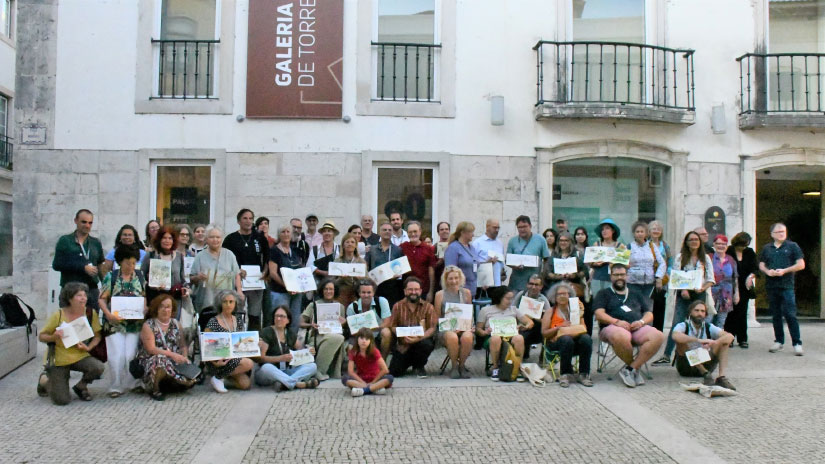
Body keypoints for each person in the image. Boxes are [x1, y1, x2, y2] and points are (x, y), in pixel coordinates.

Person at [593, 263, 664, 388]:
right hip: (612, 328)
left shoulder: (635, 293)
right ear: (611, 277)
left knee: (658, 335)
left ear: (627, 276)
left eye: (622, 274)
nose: (619, 277)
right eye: (616, 275)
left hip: (636, 328)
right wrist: (616, 322)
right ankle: (633, 368)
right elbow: (599, 314)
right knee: (621, 335)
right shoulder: (603, 293)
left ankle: (630, 369)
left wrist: (641, 322)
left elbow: (649, 313)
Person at [38, 283, 105, 405]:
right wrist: (54, 336)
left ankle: (81, 386)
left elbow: (97, 336)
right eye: (79, 295)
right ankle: (45, 381)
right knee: (62, 400)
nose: (83, 298)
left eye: (85, 295)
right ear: (69, 298)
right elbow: (42, 336)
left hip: (80, 355)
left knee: (98, 367)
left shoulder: (90, 313)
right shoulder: (58, 315)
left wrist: (88, 347)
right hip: (59, 359)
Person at [655, 231, 715, 365]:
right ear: (686, 242)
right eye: (691, 239)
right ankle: (667, 354)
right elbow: (676, 276)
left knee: (699, 323)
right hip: (683, 294)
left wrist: (702, 288)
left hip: (699, 293)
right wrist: (683, 289)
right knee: (677, 323)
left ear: (700, 242)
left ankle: (698, 356)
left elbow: (711, 279)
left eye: (696, 239)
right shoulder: (680, 257)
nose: (694, 242)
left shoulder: (705, 258)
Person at [98, 246, 146, 397]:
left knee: (131, 354)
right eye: (127, 263)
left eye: (133, 263)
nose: (130, 266)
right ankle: (115, 385)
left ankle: (133, 383)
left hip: (134, 323)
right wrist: (108, 314)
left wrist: (144, 308)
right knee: (116, 354)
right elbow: (101, 299)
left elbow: (144, 296)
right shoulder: (111, 277)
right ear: (120, 262)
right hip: (115, 323)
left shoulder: (140, 276)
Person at [137, 294, 198, 401]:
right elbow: (151, 349)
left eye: (168, 306)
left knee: (182, 365)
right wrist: (173, 355)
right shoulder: (149, 325)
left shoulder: (176, 324)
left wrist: (184, 357)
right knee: (159, 360)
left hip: (173, 361)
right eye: (162, 306)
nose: (165, 310)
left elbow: (183, 345)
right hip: (152, 359)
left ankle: (174, 380)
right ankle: (155, 389)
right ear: (156, 309)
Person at [759, 223, 805, 355]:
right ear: (772, 234)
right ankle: (779, 341)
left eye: (783, 231)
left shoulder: (792, 246)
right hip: (772, 286)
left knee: (790, 314)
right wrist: (768, 272)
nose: (781, 233)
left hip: (787, 286)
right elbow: (762, 264)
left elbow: (801, 264)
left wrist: (785, 271)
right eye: (778, 231)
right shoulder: (767, 248)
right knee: (776, 315)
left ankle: (797, 343)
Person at [222, 208, 270, 331]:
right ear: (238, 221)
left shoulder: (260, 238)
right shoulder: (230, 239)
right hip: (237, 281)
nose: (248, 221)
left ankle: (254, 340)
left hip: (256, 282)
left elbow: (267, 258)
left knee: (255, 313)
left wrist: (265, 272)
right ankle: (237, 336)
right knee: (237, 311)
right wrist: (237, 271)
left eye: (250, 218)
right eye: (245, 218)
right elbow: (225, 261)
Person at [671, 300, 736, 390]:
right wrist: (698, 340)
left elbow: (730, 337)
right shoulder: (683, 325)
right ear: (690, 312)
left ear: (705, 314)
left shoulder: (709, 326)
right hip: (686, 366)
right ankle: (704, 372)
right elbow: (675, 336)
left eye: (702, 311)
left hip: (706, 362)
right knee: (681, 342)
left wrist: (714, 342)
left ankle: (721, 377)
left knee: (723, 342)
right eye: (696, 310)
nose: (699, 314)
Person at [383, 277, 438, 378]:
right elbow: (392, 326)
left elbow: (432, 328)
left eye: (416, 289)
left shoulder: (428, 307)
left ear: (420, 291)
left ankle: (419, 366)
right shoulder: (397, 306)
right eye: (410, 289)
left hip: (421, 342)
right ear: (405, 291)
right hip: (403, 345)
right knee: (394, 372)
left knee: (427, 344)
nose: (413, 292)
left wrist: (420, 337)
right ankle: (407, 363)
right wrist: (402, 335)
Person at [256, 305, 319, 391]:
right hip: (269, 373)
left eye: (282, 316)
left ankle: (284, 384)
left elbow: (301, 350)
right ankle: (298, 384)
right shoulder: (266, 332)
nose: (278, 319)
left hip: (286, 371)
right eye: (276, 316)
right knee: (266, 367)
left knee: (312, 366)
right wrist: (280, 358)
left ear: (288, 320)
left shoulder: (290, 333)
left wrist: (309, 351)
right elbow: (261, 359)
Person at [52, 209, 105, 311]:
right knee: (69, 324)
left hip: (91, 290)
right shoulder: (65, 241)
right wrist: (82, 267)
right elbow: (57, 264)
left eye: (90, 223)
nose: (87, 225)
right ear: (76, 221)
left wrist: (105, 286)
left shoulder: (95, 243)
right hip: (70, 290)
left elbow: (100, 265)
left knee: (91, 323)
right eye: (84, 222)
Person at [542, 282, 593, 387]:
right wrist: (559, 327)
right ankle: (565, 374)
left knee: (586, 339)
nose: (562, 296)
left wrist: (578, 319)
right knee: (566, 339)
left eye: (565, 294)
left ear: (570, 296)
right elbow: (544, 333)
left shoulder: (576, 310)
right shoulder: (550, 311)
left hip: (574, 342)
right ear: (554, 297)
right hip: (556, 342)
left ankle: (584, 374)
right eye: (559, 294)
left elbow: (584, 329)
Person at [476, 286, 532, 381]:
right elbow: (478, 329)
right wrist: (485, 332)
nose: (510, 301)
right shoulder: (486, 310)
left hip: (510, 336)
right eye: (507, 298)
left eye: (511, 298)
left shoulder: (513, 310)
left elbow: (529, 322)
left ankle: (517, 367)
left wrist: (524, 327)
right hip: (492, 337)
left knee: (519, 338)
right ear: (499, 297)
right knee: (496, 338)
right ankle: (496, 368)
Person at [204, 290, 254, 393]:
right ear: (220, 303)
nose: (228, 305)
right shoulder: (213, 322)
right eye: (225, 302)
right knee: (248, 363)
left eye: (231, 302)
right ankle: (218, 377)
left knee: (245, 384)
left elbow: (242, 341)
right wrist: (215, 362)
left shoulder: (238, 320)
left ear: (235, 303)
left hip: (235, 358)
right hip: (218, 360)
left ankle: (223, 377)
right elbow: (206, 346)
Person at [301, 279, 348, 380]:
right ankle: (319, 371)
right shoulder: (313, 305)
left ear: (335, 291)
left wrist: (344, 323)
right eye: (326, 289)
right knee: (338, 338)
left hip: (333, 333)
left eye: (331, 289)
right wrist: (311, 324)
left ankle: (325, 371)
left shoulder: (340, 307)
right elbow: (300, 322)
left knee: (338, 337)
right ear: (322, 290)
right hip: (317, 335)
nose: (328, 291)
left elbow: (341, 326)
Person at [189, 224, 243, 312]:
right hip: (207, 301)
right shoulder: (200, 256)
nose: (215, 240)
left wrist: (239, 291)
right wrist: (198, 277)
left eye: (218, 237)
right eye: (212, 237)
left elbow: (236, 274)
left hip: (227, 301)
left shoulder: (229, 255)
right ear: (206, 239)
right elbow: (192, 278)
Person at [433, 266, 474, 379]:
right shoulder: (440, 295)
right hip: (446, 328)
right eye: (450, 278)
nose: (454, 281)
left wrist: (466, 327)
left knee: (467, 337)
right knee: (452, 337)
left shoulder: (466, 293)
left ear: (461, 279)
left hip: (463, 326)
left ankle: (462, 366)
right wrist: (451, 326)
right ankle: (454, 366)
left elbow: (469, 313)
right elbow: (437, 317)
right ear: (445, 280)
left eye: (456, 278)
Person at [140, 225, 189, 311]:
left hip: (174, 301)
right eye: (164, 238)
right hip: (155, 299)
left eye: (170, 238)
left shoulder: (179, 257)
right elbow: (140, 277)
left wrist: (187, 290)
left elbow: (182, 280)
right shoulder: (150, 256)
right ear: (159, 240)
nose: (167, 241)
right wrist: (151, 283)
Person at [725, 232, 758, 348]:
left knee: (742, 312)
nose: (743, 247)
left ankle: (742, 338)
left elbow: (755, 267)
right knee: (730, 312)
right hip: (730, 285)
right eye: (741, 245)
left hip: (745, 285)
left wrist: (751, 276)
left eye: (745, 245)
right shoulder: (729, 251)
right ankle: (729, 337)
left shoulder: (749, 252)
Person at [268, 225, 304, 331]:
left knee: (295, 320)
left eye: (288, 231)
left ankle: (292, 343)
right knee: (280, 319)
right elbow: (273, 273)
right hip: (280, 292)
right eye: (283, 232)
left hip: (296, 293)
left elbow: (300, 269)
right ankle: (279, 343)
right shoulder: (274, 251)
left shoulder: (296, 251)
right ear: (279, 235)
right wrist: (287, 286)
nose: (286, 234)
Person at [346, 279, 393, 356]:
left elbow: (387, 323)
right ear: (359, 293)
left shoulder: (382, 301)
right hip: (359, 336)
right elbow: (352, 331)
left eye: (369, 292)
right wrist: (365, 334)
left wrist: (372, 328)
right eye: (363, 292)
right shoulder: (352, 307)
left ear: (373, 293)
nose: (366, 295)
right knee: (350, 347)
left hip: (378, 334)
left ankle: (383, 360)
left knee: (386, 332)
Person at [343, 328, 394, 397]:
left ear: (370, 341)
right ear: (357, 339)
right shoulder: (353, 352)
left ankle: (364, 390)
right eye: (361, 338)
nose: (364, 341)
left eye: (366, 339)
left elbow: (385, 370)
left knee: (390, 378)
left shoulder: (374, 351)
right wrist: (362, 382)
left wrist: (373, 382)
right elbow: (350, 371)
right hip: (361, 379)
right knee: (345, 379)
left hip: (375, 379)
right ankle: (374, 388)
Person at [506, 215, 551, 293]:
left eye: (525, 226)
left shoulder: (540, 240)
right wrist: (514, 266)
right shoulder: (512, 241)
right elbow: (507, 260)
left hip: (534, 283)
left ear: (530, 226)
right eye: (519, 227)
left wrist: (543, 276)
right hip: (516, 283)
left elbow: (546, 259)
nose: (522, 229)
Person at [367, 222, 405, 307]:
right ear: (380, 232)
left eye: (389, 230)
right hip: (376, 286)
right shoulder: (372, 249)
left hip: (392, 287)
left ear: (392, 233)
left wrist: (398, 274)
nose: (387, 232)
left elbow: (401, 269)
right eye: (384, 230)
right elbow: (367, 267)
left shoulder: (398, 250)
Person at [513, 274, 550, 360]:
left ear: (541, 287)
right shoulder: (520, 295)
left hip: (537, 329)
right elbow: (512, 311)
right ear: (527, 284)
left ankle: (543, 357)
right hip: (520, 326)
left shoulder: (544, 300)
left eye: (536, 285)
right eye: (531, 284)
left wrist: (535, 318)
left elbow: (548, 320)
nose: (533, 287)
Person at [626, 221, 666, 299]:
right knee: (634, 306)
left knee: (647, 307)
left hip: (649, 284)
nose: (640, 234)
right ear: (634, 233)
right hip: (632, 283)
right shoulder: (629, 247)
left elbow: (662, 263)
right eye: (637, 232)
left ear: (646, 233)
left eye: (642, 231)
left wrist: (659, 277)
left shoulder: (652, 246)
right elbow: (622, 264)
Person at [589, 218, 625, 301]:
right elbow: (590, 262)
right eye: (602, 229)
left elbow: (626, 264)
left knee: (612, 302)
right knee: (597, 301)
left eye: (607, 228)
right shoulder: (597, 244)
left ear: (613, 231)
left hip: (613, 279)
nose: (604, 231)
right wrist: (596, 263)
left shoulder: (620, 246)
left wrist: (613, 262)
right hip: (597, 278)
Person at [401, 221, 437, 302]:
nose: (413, 234)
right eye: (410, 232)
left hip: (423, 290)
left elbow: (431, 271)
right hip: (407, 291)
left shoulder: (428, 249)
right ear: (407, 233)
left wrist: (431, 292)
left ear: (420, 231)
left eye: (415, 231)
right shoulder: (402, 247)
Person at [444, 221, 482, 296]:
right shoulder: (453, 248)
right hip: (459, 290)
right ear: (463, 233)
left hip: (472, 289)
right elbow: (449, 270)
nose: (473, 234)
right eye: (471, 232)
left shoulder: (472, 248)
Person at [710, 235, 739, 329]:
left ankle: (717, 343)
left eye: (723, 244)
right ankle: (705, 342)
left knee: (721, 321)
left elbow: (735, 277)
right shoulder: (709, 258)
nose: (721, 246)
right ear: (713, 244)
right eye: (718, 243)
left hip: (726, 294)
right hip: (711, 293)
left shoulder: (731, 259)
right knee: (708, 319)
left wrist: (737, 293)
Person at [648, 220, 672, 332]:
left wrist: (666, 275)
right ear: (649, 231)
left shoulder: (665, 246)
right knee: (648, 308)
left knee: (660, 306)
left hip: (662, 281)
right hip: (647, 280)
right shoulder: (646, 245)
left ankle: (658, 332)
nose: (656, 231)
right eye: (654, 228)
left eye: (658, 229)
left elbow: (670, 262)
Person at [333, 232, 368, 308]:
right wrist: (340, 279)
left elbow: (367, 281)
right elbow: (332, 283)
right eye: (347, 242)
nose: (350, 244)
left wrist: (360, 279)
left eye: (352, 242)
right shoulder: (337, 261)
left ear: (356, 245)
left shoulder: (361, 262)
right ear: (343, 245)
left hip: (356, 295)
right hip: (340, 295)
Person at [472, 219, 505, 287]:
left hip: (498, 283)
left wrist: (502, 272)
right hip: (483, 284)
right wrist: (487, 263)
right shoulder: (477, 243)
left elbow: (501, 262)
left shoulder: (500, 243)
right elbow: (473, 265)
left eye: (498, 228)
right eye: (494, 227)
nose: (497, 230)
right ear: (487, 227)